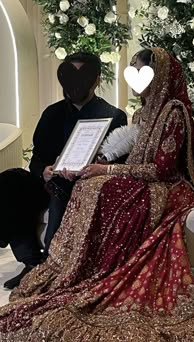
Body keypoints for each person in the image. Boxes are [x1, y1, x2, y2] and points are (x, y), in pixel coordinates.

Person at [0, 47, 194, 342]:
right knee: (58, 184)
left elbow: (162, 169)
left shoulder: (170, 112)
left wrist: (104, 168)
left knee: (97, 188)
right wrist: (51, 170)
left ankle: (82, 267)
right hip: (61, 177)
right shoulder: (140, 113)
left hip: (167, 187)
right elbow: (51, 156)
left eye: (143, 73)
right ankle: (57, 265)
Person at [2, 51, 127, 290]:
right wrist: (45, 171)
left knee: (64, 186)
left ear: (97, 79)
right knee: (9, 181)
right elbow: (36, 159)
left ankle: (52, 263)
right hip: (48, 181)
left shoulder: (113, 116)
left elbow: (117, 162)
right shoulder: (52, 113)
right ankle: (31, 262)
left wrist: (89, 169)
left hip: (83, 185)